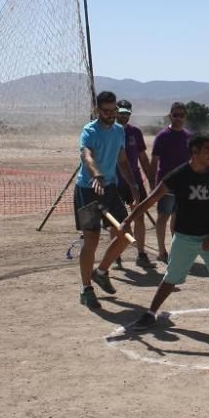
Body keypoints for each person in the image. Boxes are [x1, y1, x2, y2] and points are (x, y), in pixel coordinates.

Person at [121, 132, 209, 333]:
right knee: (170, 278)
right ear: (194, 151)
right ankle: (150, 314)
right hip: (184, 238)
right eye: (208, 150)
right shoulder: (179, 175)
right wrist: (128, 220)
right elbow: (151, 200)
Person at [73, 91, 137, 309]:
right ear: (98, 110)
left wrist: (133, 185)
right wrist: (96, 174)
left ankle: (101, 272)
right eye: (106, 111)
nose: (111, 115)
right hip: (87, 190)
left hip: (109, 189)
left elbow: (122, 160)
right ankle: (86, 288)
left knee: (126, 234)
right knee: (91, 239)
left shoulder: (119, 131)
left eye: (113, 111)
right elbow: (86, 155)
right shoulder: (89, 131)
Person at [149, 101, 191, 263]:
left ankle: (177, 250)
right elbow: (154, 163)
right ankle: (161, 251)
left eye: (181, 115)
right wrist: (153, 187)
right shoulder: (162, 137)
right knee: (163, 217)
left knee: (179, 219)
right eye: (175, 115)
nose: (178, 118)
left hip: (184, 185)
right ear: (170, 116)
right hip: (165, 185)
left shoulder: (189, 137)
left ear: (185, 117)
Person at [114, 99, 154, 269]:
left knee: (139, 217)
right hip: (114, 183)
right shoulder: (109, 132)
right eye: (121, 113)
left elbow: (143, 158)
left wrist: (151, 179)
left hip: (136, 182)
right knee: (116, 221)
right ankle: (116, 256)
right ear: (115, 112)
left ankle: (141, 254)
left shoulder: (135, 133)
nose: (124, 117)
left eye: (127, 114)